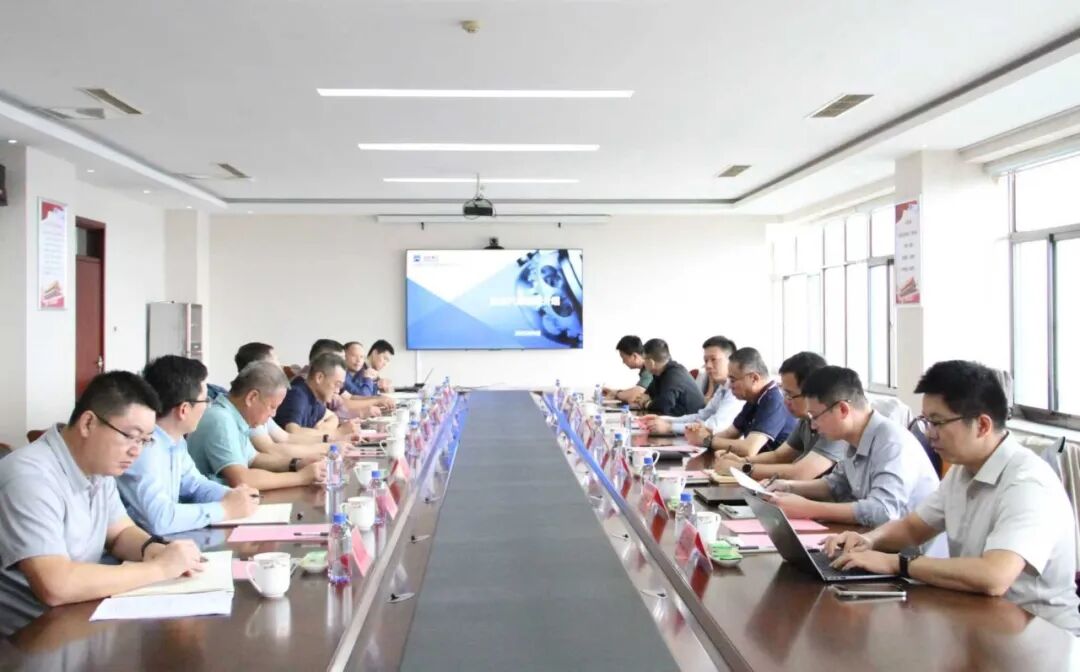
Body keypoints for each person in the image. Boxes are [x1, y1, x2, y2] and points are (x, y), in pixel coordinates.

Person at [825, 361, 1080, 635]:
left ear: (982, 425)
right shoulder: (963, 470)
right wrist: (868, 541)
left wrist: (899, 563)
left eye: (937, 422)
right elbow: (913, 528)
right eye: (925, 421)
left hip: (1040, 638)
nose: (929, 434)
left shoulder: (1028, 483)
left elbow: (994, 576)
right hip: (981, 621)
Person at [0, 372, 205, 636]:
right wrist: (159, 568)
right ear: (88, 423)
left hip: (81, 617)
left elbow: (120, 532)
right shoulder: (29, 477)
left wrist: (154, 549)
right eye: (130, 436)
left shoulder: (98, 466)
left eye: (144, 441)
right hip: (30, 638)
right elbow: (55, 585)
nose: (136, 451)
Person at [764, 366, 940, 528]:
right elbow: (836, 484)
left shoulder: (892, 443)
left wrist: (808, 508)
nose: (813, 426)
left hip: (906, 549)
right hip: (873, 539)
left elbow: (883, 511)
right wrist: (788, 487)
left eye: (815, 416)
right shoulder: (853, 439)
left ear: (843, 409)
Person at [118, 356, 259, 535]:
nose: (208, 407)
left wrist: (231, 495)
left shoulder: (175, 440)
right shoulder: (143, 447)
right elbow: (159, 518)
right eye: (205, 401)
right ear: (184, 409)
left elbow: (195, 485)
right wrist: (225, 509)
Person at [186, 361, 326, 489]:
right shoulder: (220, 420)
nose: (274, 414)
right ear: (252, 397)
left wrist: (297, 464)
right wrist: (301, 477)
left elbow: (254, 459)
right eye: (272, 407)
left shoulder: (234, 416)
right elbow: (242, 479)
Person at [713, 351, 847, 481]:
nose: (785, 401)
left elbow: (799, 473)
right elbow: (779, 456)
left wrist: (741, 468)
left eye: (790, 394)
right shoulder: (805, 421)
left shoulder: (835, 422)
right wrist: (743, 461)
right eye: (784, 393)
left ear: (812, 393)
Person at [233, 343, 340, 458]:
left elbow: (286, 437)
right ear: (261, 369)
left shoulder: (263, 401)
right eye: (276, 362)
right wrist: (329, 447)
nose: (281, 367)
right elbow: (272, 449)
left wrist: (330, 441)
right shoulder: (252, 409)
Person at [690, 347, 797, 457]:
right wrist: (704, 435)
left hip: (776, 466)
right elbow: (731, 433)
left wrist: (708, 440)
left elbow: (749, 449)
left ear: (754, 378)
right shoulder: (753, 399)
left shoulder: (773, 400)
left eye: (733, 380)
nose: (730, 386)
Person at [641, 335, 743, 436]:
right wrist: (664, 420)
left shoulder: (736, 391)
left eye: (713, 359)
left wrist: (669, 427)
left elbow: (713, 426)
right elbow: (701, 416)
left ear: (731, 361)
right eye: (706, 361)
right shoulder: (723, 388)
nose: (708, 365)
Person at [274, 352, 361, 439]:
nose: (337, 391)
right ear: (319, 378)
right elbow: (292, 432)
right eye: (337, 384)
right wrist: (337, 432)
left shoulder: (315, 397)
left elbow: (333, 417)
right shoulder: (297, 395)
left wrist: (321, 431)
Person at [638, 338, 706, 416]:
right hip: (679, 417)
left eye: (644, 359)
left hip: (692, 420)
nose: (643, 363)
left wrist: (647, 403)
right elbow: (648, 394)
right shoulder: (660, 373)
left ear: (651, 362)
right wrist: (646, 398)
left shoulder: (673, 375)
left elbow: (664, 405)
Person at [602, 335, 653, 404]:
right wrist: (615, 392)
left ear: (634, 356)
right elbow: (638, 390)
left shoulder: (649, 368)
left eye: (624, 358)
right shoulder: (644, 369)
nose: (623, 362)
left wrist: (615, 395)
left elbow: (636, 395)